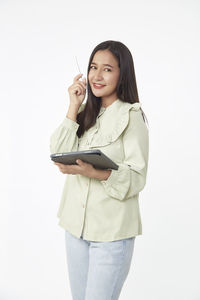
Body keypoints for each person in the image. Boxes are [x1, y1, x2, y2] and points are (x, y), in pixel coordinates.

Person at [49, 40, 149, 300]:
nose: (97, 75)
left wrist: (97, 173)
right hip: (75, 229)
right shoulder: (84, 114)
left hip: (112, 234)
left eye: (107, 69)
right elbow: (58, 152)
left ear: (122, 73)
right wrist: (73, 105)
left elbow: (137, 177)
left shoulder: (132, 116)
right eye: (93, 67)